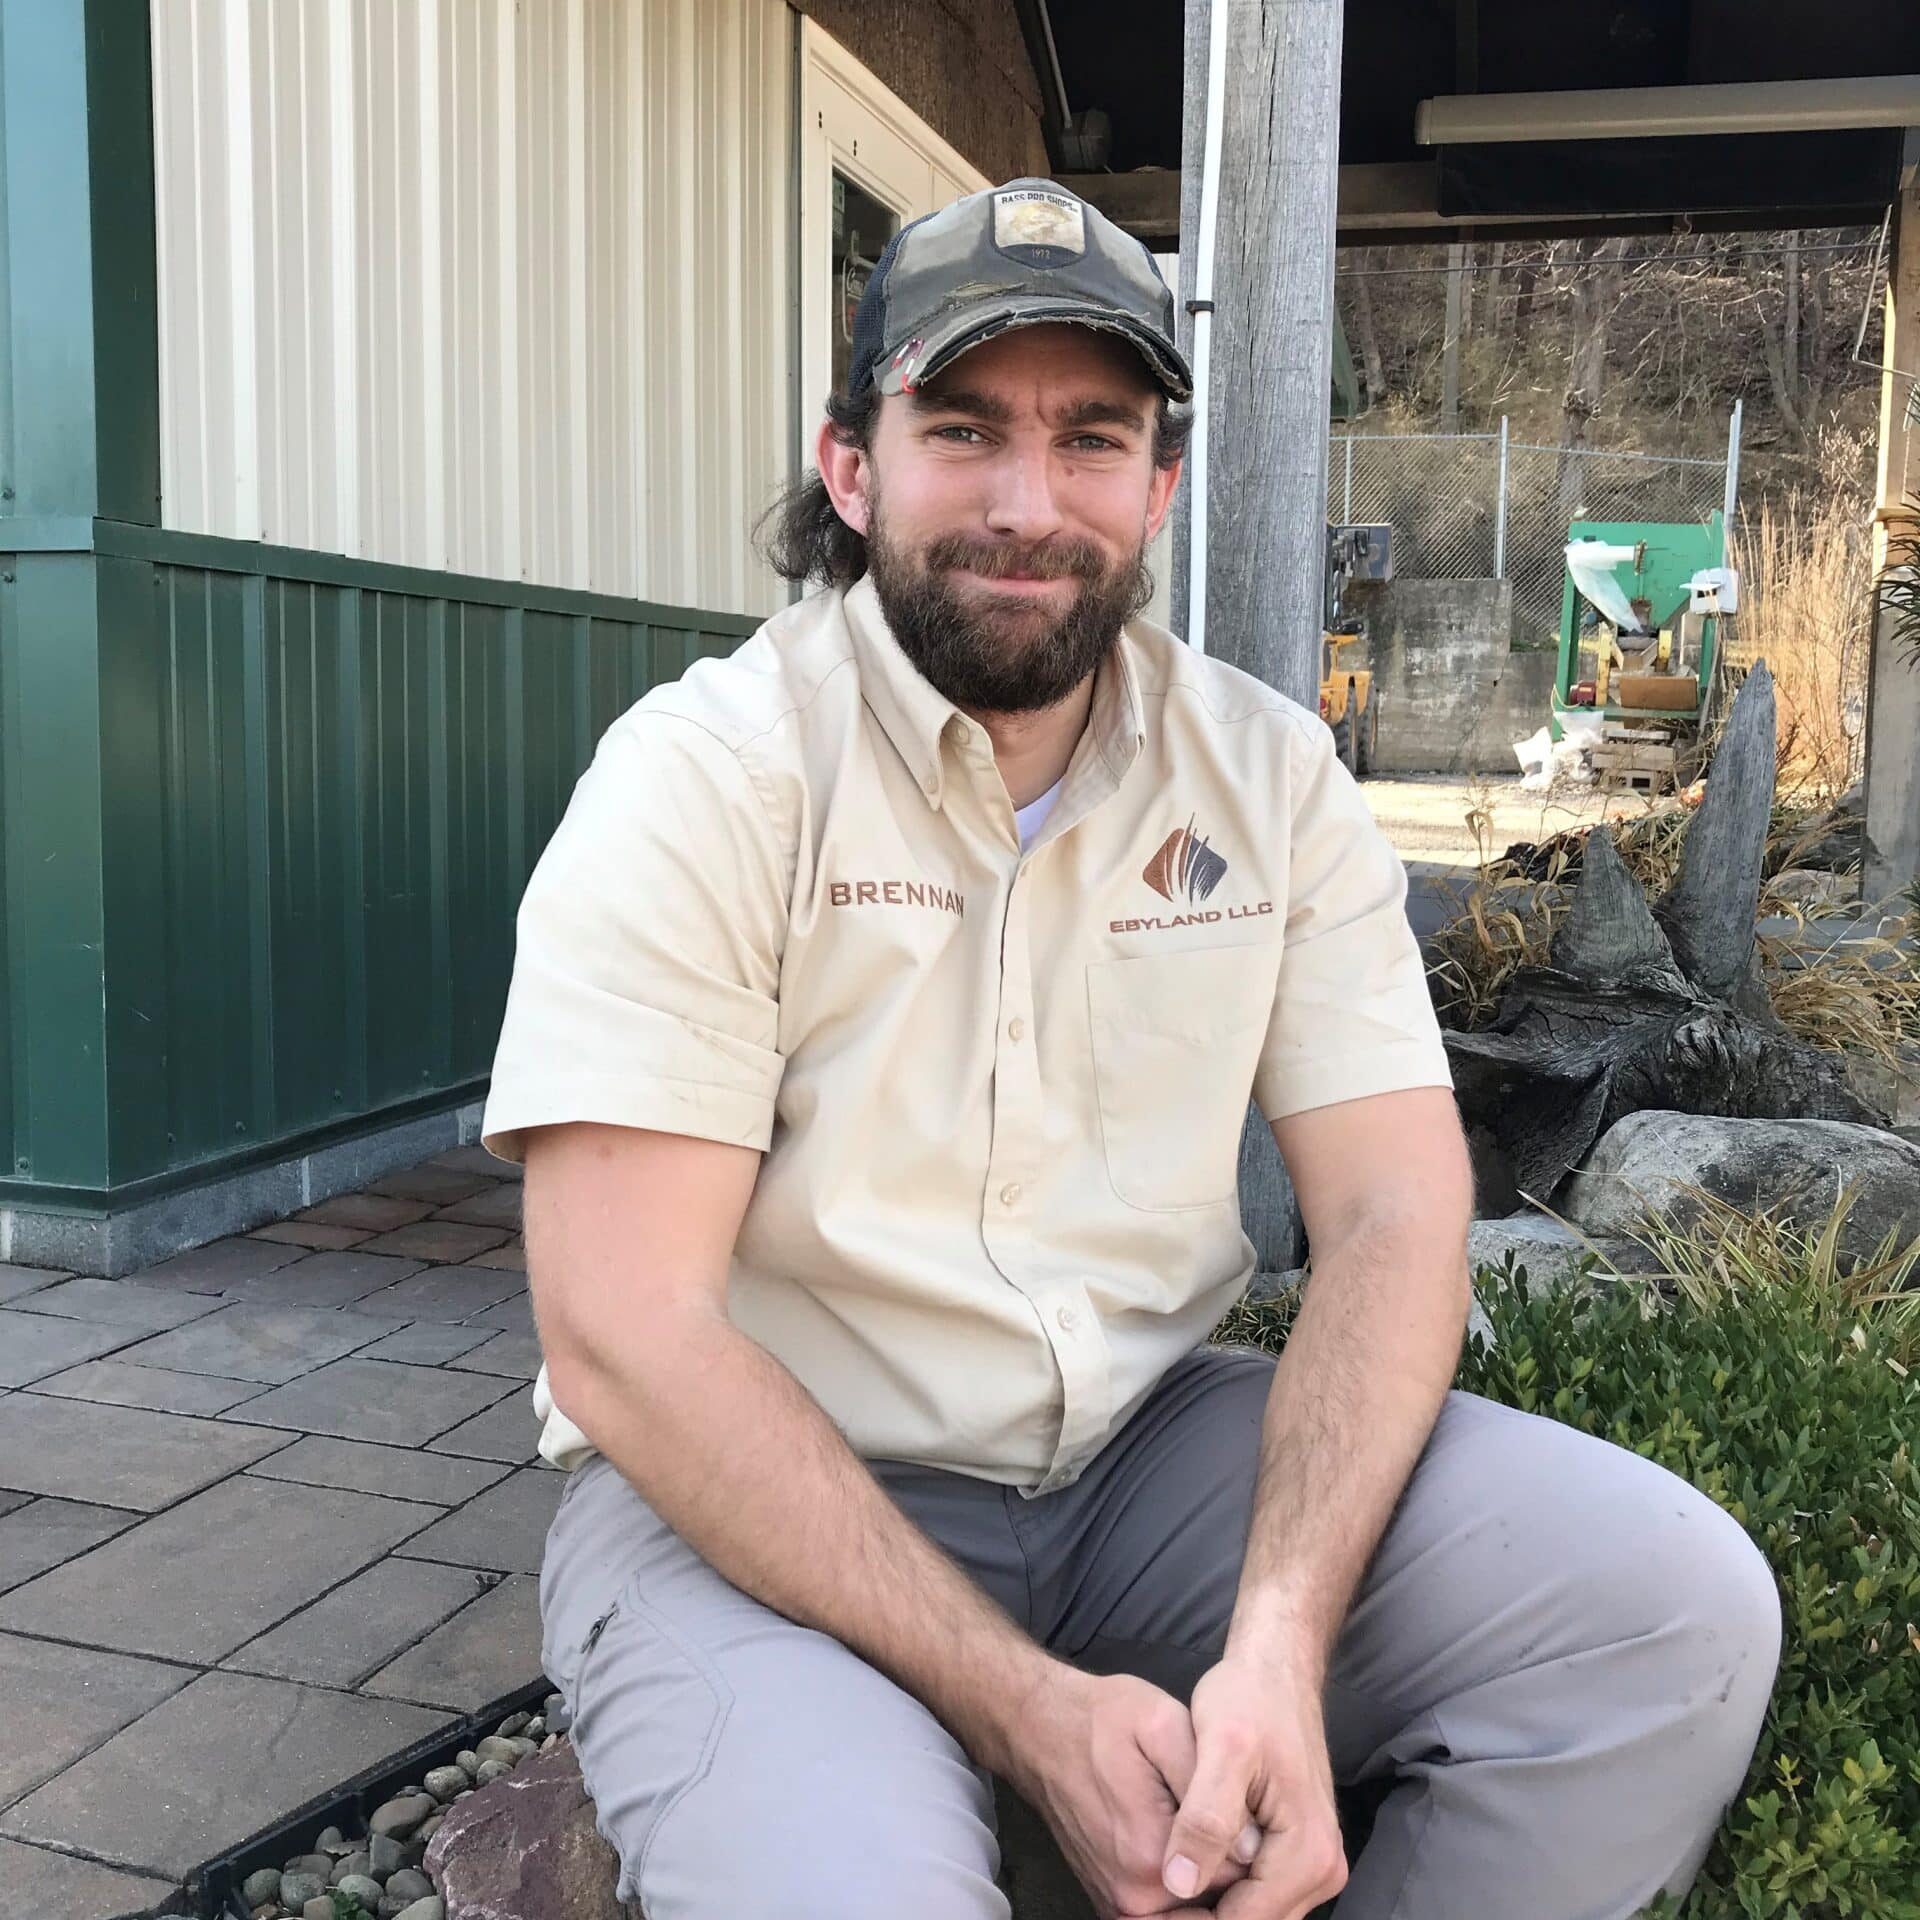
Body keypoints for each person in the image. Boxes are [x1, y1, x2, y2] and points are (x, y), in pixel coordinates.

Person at [480, 177, 1782, 1920]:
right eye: (965, 430)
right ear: (852, 465)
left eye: (1092, 440)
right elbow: (626, 1330)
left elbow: (1397, 1213)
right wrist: (1026, 1716)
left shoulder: (1265, 776)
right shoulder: (707, 779)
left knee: (1670, 1610)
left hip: (1147, 1465)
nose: (1032, 506)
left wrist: (1274, 1644)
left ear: (1160, 483)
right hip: (762, 1507)